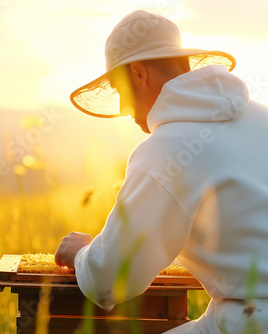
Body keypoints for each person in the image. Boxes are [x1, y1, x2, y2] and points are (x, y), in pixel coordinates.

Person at [55, 10, 268, 333]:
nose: (123, 109)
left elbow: (110, 281)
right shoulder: (261, 119)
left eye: (118, 90)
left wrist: (82, 252)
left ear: (139, 74)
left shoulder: (164, 151)